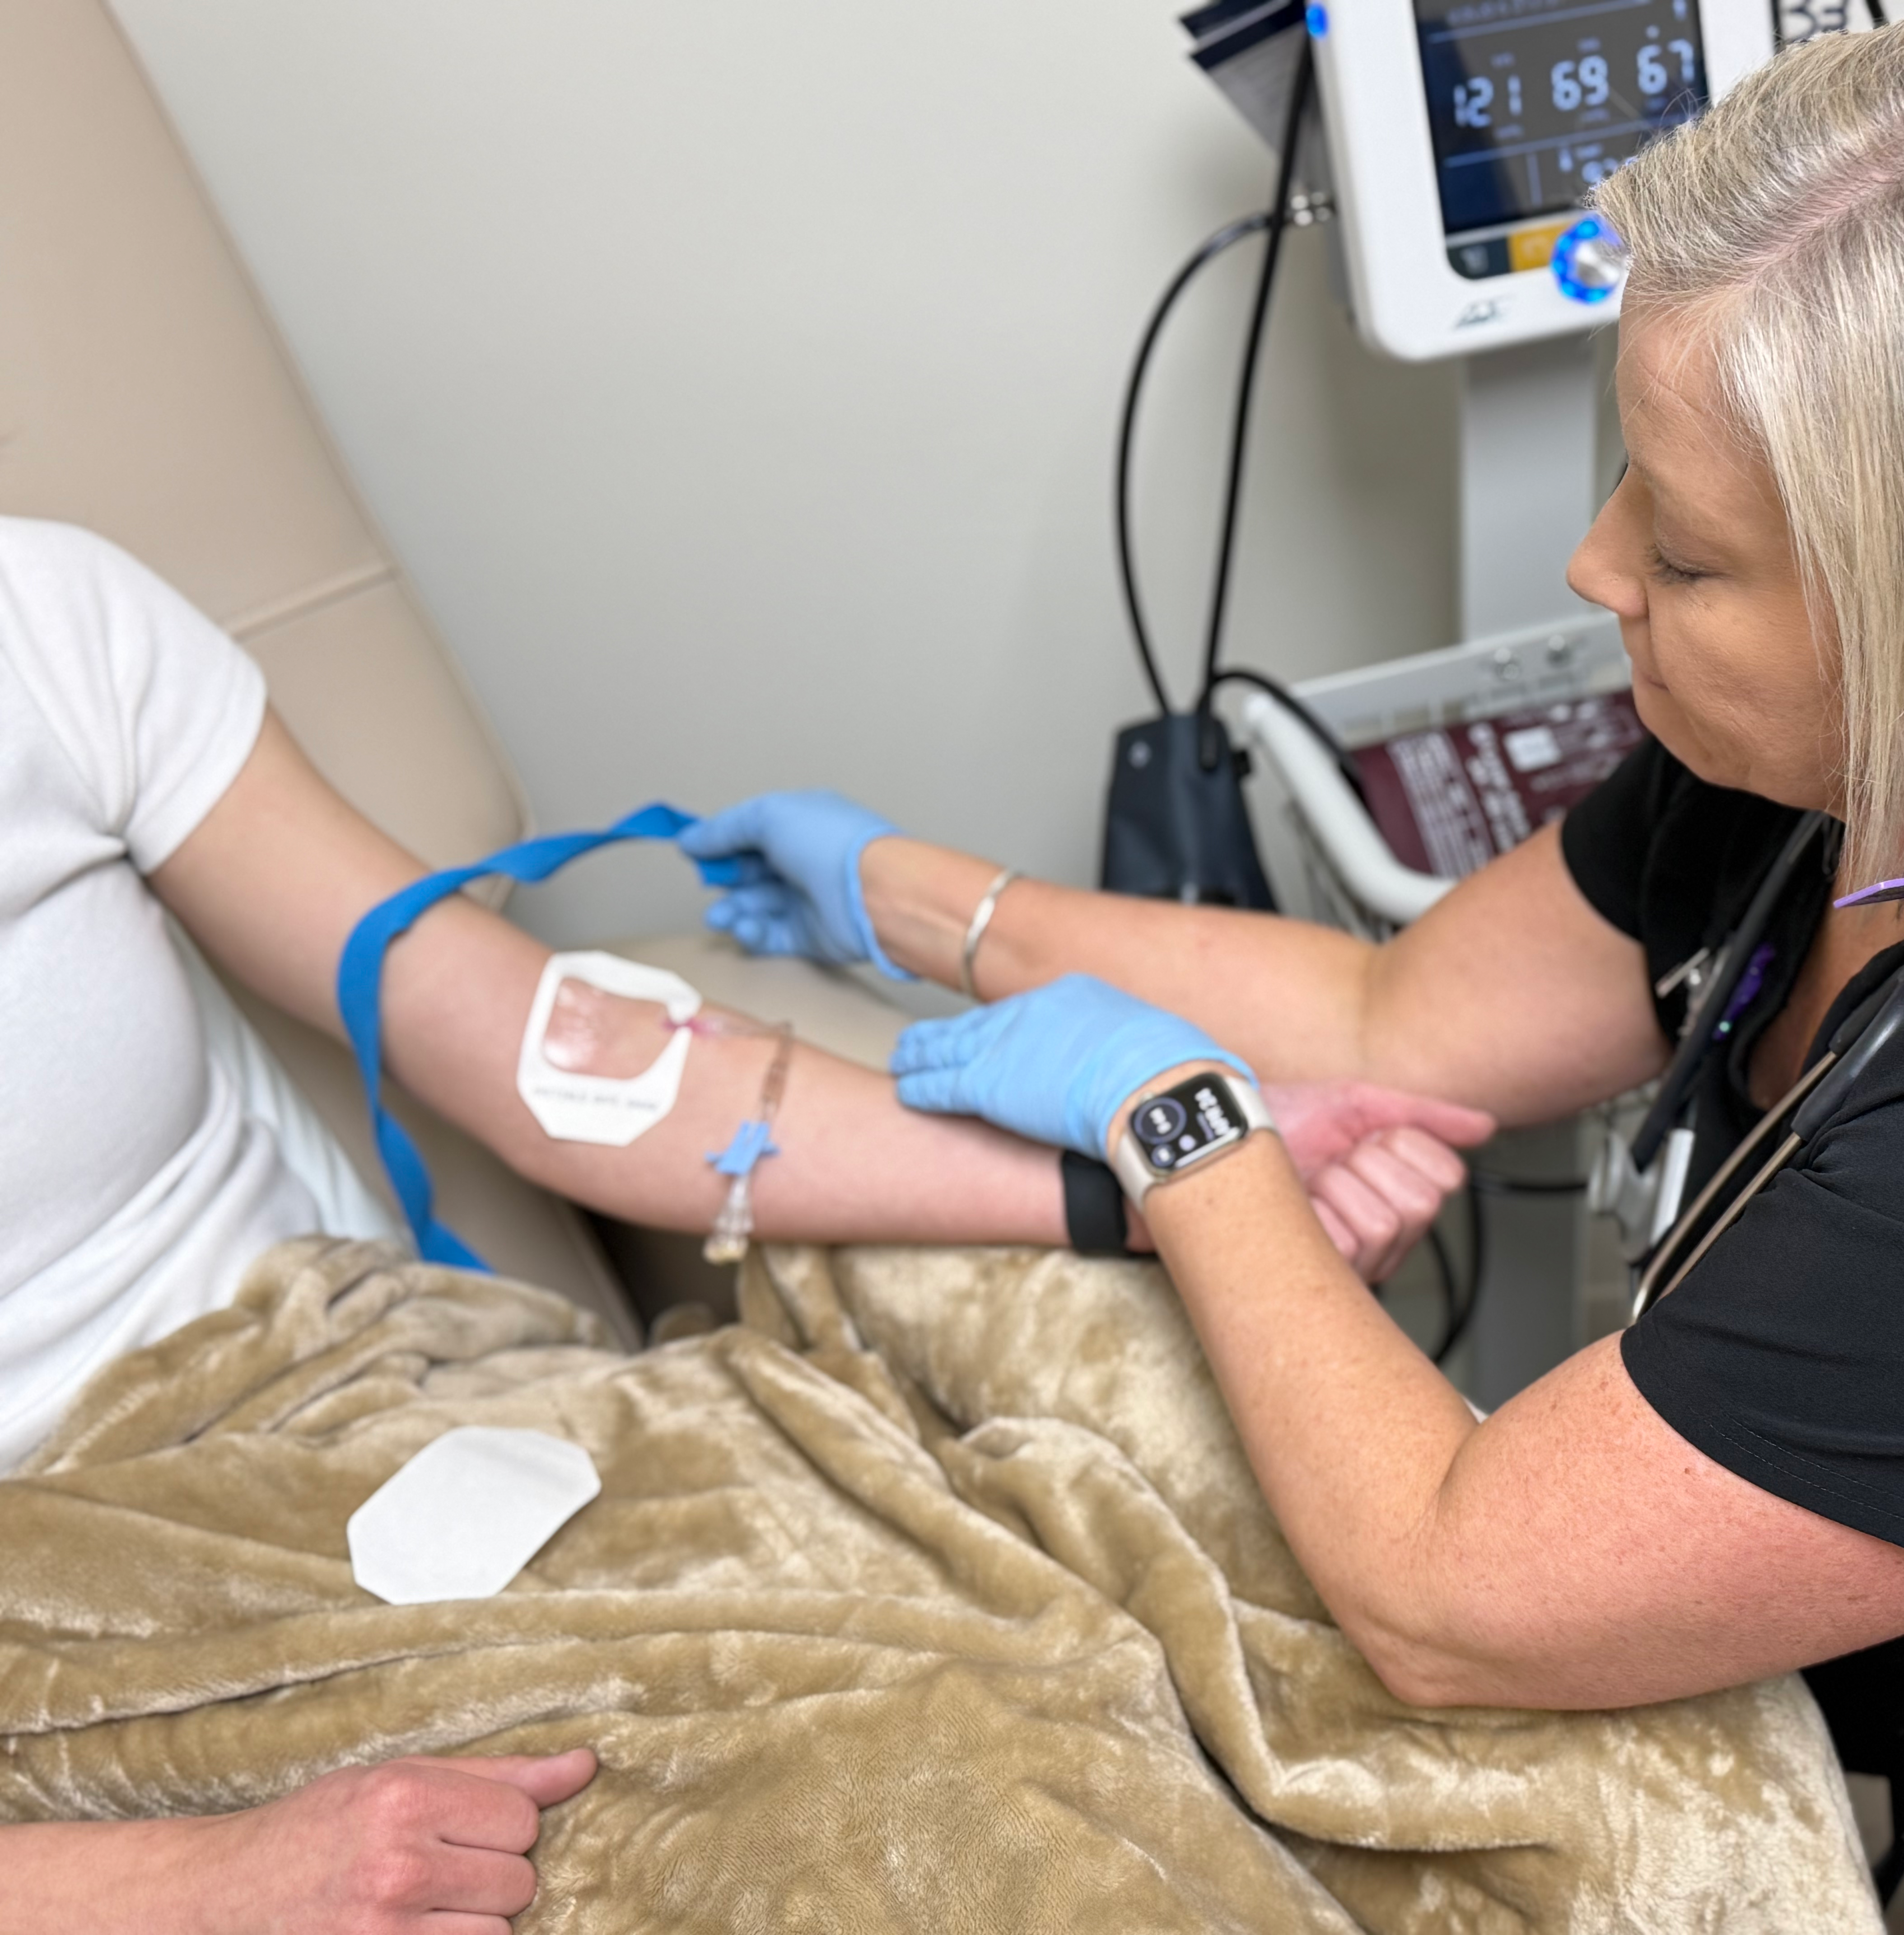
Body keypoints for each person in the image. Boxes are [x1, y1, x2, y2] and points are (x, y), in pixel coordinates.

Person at [678, 3, 1904, 1926]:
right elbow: (1396, 1014)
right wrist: (914, 899)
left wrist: (1177, 1128)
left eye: (1680, 549)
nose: (1597, 571)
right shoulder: (1859, 779)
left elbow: (1445, 1593)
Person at [0, 514, 1484, 1931]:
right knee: (941, 1815)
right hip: (69, 1592)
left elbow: (553, 1061)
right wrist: (181, 1885)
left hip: (370, 1377)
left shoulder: (49, 625)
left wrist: (1150, 1172)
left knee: (1263, 1536)